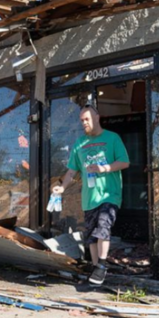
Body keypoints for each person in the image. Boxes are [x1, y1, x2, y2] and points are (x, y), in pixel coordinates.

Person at [52, 105, 129, 285]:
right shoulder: (80, 143)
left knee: (103, 225)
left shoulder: (112, 138)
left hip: (110, 194)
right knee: (92, 237)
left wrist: (105, 168)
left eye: (87, 119)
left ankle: (101, 265)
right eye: (82, 120)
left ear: (97, 118)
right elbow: (72, 171)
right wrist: (62, 187)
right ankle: (96, 271)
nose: (84, 123)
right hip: (89, 198)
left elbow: (124, 162)